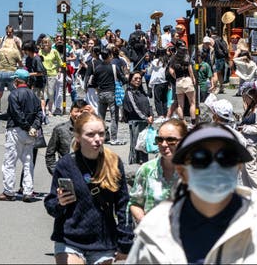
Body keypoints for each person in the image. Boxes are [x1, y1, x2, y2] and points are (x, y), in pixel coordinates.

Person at [127, 122, 257, 264]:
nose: (215, 167)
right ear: (182, 172)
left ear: (239, 167)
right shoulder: (154, 231)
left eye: (226, 158)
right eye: (201, 159)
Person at [44, 112, 133, 263]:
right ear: (77, 136)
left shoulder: (113, 162)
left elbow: (123, 204)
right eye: (90, 134)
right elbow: (51, 204)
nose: (97, 139)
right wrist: (60, 202)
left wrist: (126, 242)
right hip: (70, 239)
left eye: (101, 134)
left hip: (103, 241)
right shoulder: (66, 164)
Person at [0, 69, 42, 202]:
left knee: (9, 162)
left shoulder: (14, 95)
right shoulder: (34, 95)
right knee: (28, 162)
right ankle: (28, 191)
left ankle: (9, 191)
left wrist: (26, 127)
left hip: (16, 130)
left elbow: (17, 114)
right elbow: (39, 114)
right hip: (30, 133)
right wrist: (33, 127)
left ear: (17, 80)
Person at [129, 118, 188, 224]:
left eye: (171, 140)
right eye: (159, 140)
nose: (164, 144)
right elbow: (135, 202)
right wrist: (143, 220)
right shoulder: (146, 170)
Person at [90, 49, 125, 145]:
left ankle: (102, 136)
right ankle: (113, 138)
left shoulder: (98, 68)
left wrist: (98, 90)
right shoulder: (113, 67)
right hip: (112, 93)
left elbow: (92, 83)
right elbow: (123, 79)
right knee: (114, 117)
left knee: (101, 117)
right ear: (110, 56)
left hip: (101, 94)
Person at [235, 87, 257, 197]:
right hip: (245, 141)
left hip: (252, 143)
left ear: (252, 98)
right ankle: (247, 190)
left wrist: (244, 128)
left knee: (250, 166)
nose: (245, 100)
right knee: (243, 168)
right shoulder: (249, 109)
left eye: (246, 97)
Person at [46, 100, 90, 175]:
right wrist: (56, 172)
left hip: (87, 173)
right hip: (67, 173)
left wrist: (94, 115)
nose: (79, 115)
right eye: (76, 111)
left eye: (82, 112)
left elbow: (106, 137)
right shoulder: (60, 130)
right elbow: (50, 154)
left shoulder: (92, 129)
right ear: (70, 112)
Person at [0, 29, 23, 119]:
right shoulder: (15, 51)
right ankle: (15, 113)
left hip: (1, 73)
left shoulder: (1, 51)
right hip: (11, 73)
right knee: (15, 94)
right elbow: (20, 64)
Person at [123, 71, 154, 165]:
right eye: (135, 78)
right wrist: (145, 117)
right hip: (135, 122)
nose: (138, 80)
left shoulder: (142, 91)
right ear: (131, 79)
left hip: (145, 121)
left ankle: (144, 162)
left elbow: (149, 105)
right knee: (136, 143)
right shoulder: (129, 92)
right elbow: (134, 107)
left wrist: (151, 115)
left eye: (140, 78)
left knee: (144, 143)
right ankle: (135, 163)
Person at [168, 45, 197, 122]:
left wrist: (176, 77)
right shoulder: (187, 58)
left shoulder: (173, 59)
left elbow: (171, 70)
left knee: (180, 105)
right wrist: (193, 78)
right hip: (187, 79)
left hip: (178, 81)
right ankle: (193, 121)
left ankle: (182, 120)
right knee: (192, 103)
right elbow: (190, 70)